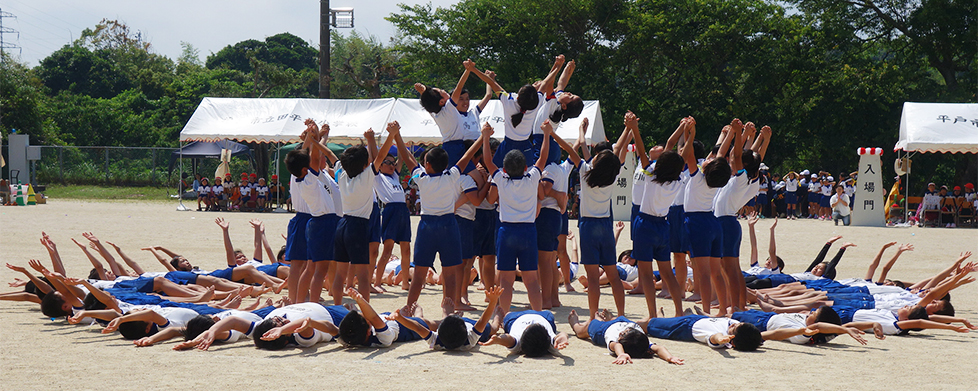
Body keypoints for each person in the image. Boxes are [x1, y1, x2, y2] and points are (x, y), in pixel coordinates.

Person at [394, 120, 483, 314]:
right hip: (449, 225)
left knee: (419, 272)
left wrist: (396, 135)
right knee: (450, 272)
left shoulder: (422, 178)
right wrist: (483, 137)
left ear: (426, 164)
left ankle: (409, 307)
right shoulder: (452, 175)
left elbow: (408, 156)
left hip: (428, 225)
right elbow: (467, 156)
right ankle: (448, 308)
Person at [553, 111, 631, 319]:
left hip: (588, 226)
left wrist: (552, 133)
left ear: (596, 161)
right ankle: (621, 313)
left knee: (593, 278)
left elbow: (571, 148)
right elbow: (615, 150)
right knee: (613, 275)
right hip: (605, 225)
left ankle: (592, 315)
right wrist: (628, 129)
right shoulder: (612, 177)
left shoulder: (585, 171)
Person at [482, 119, 551, 312]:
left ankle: (504, 318)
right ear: (524, 168)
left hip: (506, 230)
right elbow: (542, 157)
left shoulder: (501, 180)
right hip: (528, 231)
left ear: (504, 169)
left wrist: (485, 138)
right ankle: (538, 315)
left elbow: (488, 161)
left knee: (505, 280)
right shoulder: (532, 179)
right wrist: (546, 134)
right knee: (531, 280)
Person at [627, 113, 685, 318]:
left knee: (645, 273)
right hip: (663, 225)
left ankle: (652, 314)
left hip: (645, 224)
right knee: (668, 272)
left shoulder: (651, 176)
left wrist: (634, 128)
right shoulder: (677, 181)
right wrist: (685, 130)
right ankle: (679, 311)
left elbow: (642, 150)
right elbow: (671, 149)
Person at [333, 125, 397, 304]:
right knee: (362, 275)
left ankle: (338, 307)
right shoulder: (366, 176)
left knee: (340, 273)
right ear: (364, 165)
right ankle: (365, 310)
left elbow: (367, 160)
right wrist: (390, 135)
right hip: (358, 226)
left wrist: (369, 140)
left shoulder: (343, 176)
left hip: (342, 225)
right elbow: (380, 157)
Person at [284, 119, 341, 304]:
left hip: (314, 219)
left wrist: (316, 136)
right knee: (311, 268)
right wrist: (315, 137)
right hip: (312, 219)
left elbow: (311, 155)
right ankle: (298, 301)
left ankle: (300, 300)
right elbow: (313, 156)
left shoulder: (304, 174)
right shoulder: (307, 176)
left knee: (311, 267)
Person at [681, 117, 733, 316]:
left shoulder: (697, 177)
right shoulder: (716, 181)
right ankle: (721, 308)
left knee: (702, 272)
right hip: (713, 221)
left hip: (696, 223)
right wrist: (730, 134)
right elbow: (721, 154)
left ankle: (705, 309)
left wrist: (690, 132)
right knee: (715, 271)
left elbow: (690, 154)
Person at [391, 286, 504, 351]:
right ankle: (498, 318)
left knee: (448, 321)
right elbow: (482, 321)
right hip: (470, 324)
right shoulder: (470, 339)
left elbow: (418, 328)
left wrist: (401, 319)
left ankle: (448, 315)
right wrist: (492, 303)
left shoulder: (436, 341)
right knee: (493, 329)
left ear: (439, 331)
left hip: (458, 326)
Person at [568, 309, 684, 365]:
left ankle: (575, 324)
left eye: (622, 335)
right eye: (626, 332)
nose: (621, 333)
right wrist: (669, 357)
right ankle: (611, 317)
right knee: (627, 320)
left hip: (602, 329)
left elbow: (617, 345)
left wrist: (622, 354)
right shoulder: (642, 342)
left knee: (584, 331)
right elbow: (659, 348)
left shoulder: (615, 341)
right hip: (626, 322)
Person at [373, 145, 414, 292]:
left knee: (406, 248)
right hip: (391, 210)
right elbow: (375, 157)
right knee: (387, 249)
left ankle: (404, 282)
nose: (392, 165)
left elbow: (401, 159)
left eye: (393, 163)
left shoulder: (395, 176)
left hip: (403, 211)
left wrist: (401, 141)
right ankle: (377, 282)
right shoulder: (378, 176)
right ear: (381, 165)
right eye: (388, 163)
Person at [338, 287, 427, 348]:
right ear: (368, 331)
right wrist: (361, 301)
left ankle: (402, 315)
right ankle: (417, 315)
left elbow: (338, 333)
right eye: (365, 316)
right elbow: (373, 317)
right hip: (403, 326)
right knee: (425, 324)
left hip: (384, 317)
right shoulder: (383, 339)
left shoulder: (350, 336)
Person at [642, 309, 763, 351]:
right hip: (699, 319)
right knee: (660, 322)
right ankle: (661, 318)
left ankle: (656, 319)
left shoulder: (723, 338)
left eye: (734, 329)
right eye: (738, 324)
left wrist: (720, 339)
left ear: (733, 342)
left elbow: (715, 337)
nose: (734, 325)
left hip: (684, 327)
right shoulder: (739, 326)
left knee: (649, 325)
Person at [479, 309, 570, 357]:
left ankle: (500, 319)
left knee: (507, 315)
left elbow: (508, 340)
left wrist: (498, 340)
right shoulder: (549, 341)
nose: (533, 322)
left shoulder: (518, 341)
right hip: (544, 316)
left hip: (516, 318)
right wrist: (563, 337)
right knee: (549, 314)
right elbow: (560, 336)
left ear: (525, 329)